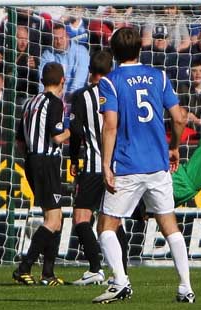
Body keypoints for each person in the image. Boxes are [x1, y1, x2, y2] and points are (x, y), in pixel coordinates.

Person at [93, 27, 194, 304]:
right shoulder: (159, 76)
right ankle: (185, 287)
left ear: (113, 53)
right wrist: (173, 146)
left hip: (127, 164)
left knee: (105, 226)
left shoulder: (110, 82)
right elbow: (179, 118)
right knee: (169, 224)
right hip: (157, 164)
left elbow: (110, 126)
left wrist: (106, 164)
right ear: (140, 49)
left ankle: (121, 282)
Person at [13, 62, 71, 286]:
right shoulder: (55, 102)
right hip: (46, 161)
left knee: (56, 218)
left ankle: (48, 273)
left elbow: (19, 141)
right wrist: (73, 131)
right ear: (62, 81)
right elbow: (57, 137)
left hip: (31, 160)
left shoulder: (30, 102)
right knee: (54, 219)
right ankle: (24, 267)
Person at [69, 50, 124, 286]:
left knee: (81, 217)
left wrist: (73, 159)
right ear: (110, 71)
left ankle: (95, 269)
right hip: (119, 165)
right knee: (114, 220)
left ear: (90, 71)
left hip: (93, 165)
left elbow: (75, 132)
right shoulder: (118, 93)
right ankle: (121, 272)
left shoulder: (81, 96)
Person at [39, 22, 90, 105]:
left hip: (76, 99)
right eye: (55, 39)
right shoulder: (47, 54)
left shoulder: (81, 51)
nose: (59, 42)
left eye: (61, 38)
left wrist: (66, 101)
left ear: (67, 37)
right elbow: (42, 82)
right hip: (52, 99)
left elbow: (78, 82)